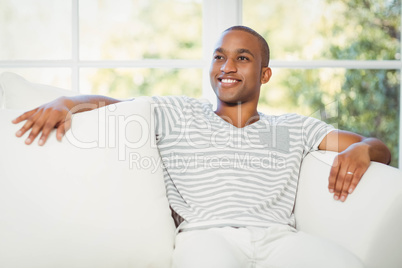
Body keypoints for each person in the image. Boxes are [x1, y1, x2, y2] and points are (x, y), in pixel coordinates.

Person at [13, 26, 390, 268]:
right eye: (219, 56)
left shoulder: (292, 126)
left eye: (242, 58)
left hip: (279, 238)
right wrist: (66, 103)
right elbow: (111, 104)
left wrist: (363, 149)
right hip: (207, 236)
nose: (226, 65)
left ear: (265, 74)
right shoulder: (179, 113)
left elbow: (378, 149)